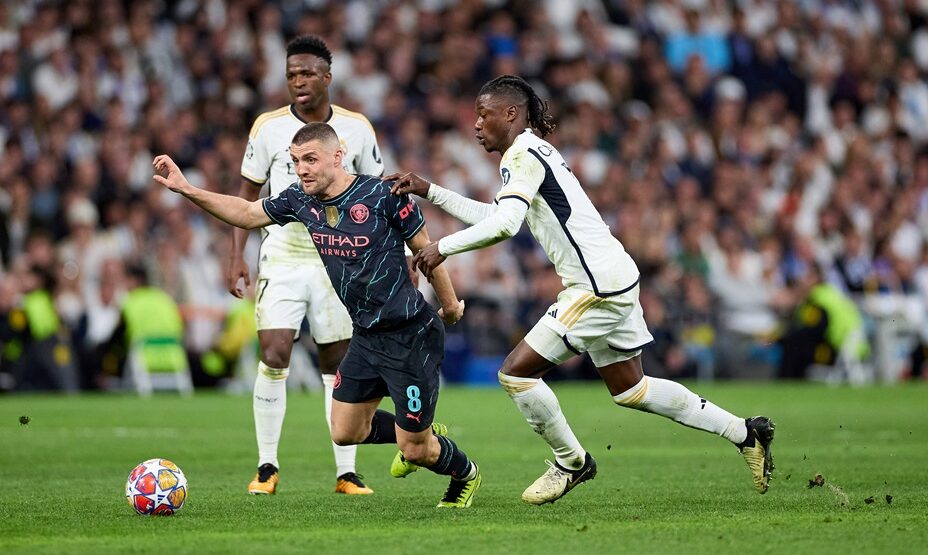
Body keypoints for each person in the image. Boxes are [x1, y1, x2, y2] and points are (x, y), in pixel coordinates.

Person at [389, 75, 774, 504]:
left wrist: (441, 247)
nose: (476, 124)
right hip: (613, 277)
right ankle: (746, 433)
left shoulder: (522, 155)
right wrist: (430, 190)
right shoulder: (532, 151)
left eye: (484, 114)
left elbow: (505, 226)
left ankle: (571, 462)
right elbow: (497, 215)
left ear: (511, 114)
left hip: (595, 287)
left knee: (515, 374)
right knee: (633, 390)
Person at [152, 122, 482, 509]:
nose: (301, 169)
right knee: (344, 431)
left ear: (337, 157)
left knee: (415, 451)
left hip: (409, 335)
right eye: (295, 161)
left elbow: (428, 251)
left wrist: (450, 306)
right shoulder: (300, 200)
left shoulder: (382, 194)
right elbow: (246, 212)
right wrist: (188, 190)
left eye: (310, 159)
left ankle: (464, 473)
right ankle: (416, 430)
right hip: (366, 336)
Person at [229, 36, 385, 495]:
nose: (297, 81)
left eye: (306, 74)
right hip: (282, 253)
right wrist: (236, 255)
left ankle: (346, 472)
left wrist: (390, 256)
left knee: (335, 362)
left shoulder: (357, 128)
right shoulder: (268, 127)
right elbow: (246, 195)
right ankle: (266, 466)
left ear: (327, 77)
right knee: (274, 352)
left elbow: (378, 197)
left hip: (338, 255)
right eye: (291, 75)